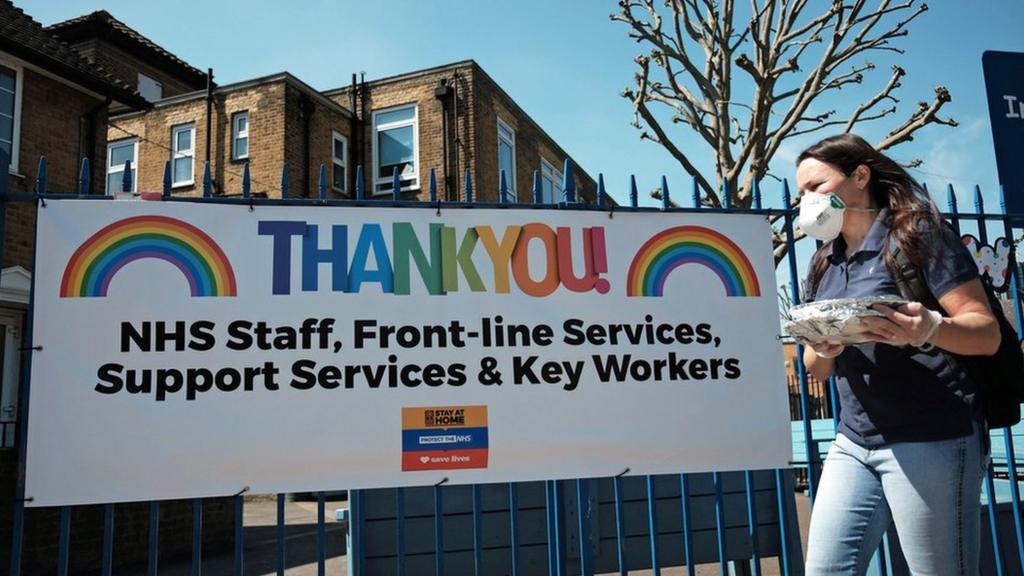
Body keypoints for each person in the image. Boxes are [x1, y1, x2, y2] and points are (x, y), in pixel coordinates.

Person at [796, 134, 1000, 575]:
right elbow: (817, 368)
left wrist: (929, 328)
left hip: (933, 437)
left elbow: (985, 333)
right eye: (800, 193)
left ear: (860, 176)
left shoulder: (916, 233)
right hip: (854, 442)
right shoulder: (823, 263)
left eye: (816, 186)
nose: (806, 200)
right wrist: (823, 346)